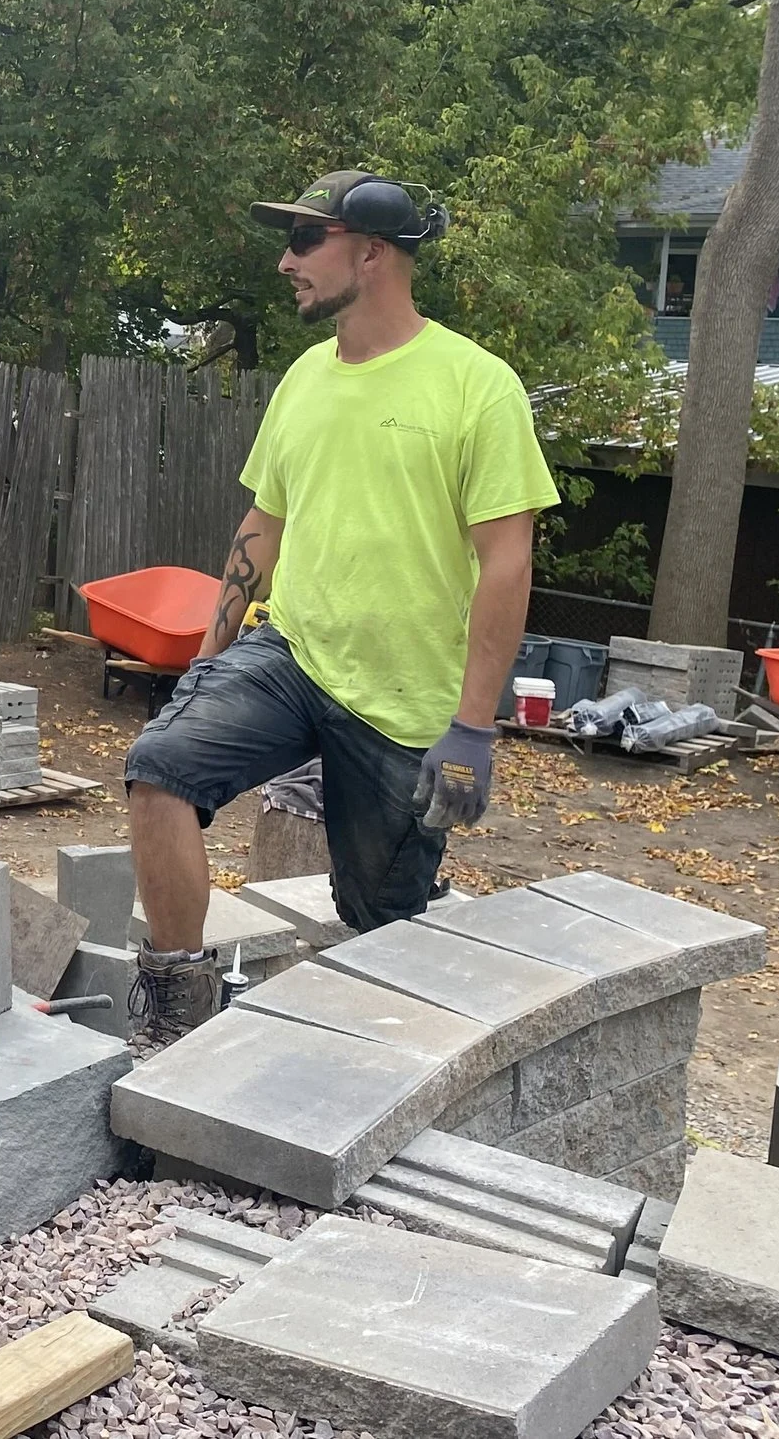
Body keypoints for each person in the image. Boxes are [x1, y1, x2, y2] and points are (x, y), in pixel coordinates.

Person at [119, 170, 559, 1041]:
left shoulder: (477, 385)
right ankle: (176, 1007)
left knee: (381, 917)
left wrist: (474, 727)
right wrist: (208, 659)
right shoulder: (305, 379)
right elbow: (262, 525)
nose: (286, 261)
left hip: (405, 703)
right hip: (292, 655)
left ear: (372, 251)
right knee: (160, 767)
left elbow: (506, 561)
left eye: (304, 240)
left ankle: (396, 1052)